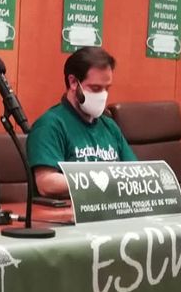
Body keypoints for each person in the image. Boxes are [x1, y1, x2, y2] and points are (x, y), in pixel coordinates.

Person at [25, 46, 138, 196]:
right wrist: (97, 179)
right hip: (70, 214)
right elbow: (46, 183)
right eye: (96, 88)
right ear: (73, 82)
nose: (103, 96)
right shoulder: (50, 125)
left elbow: (136, 173)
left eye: (107, 89)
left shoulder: (109, 126)